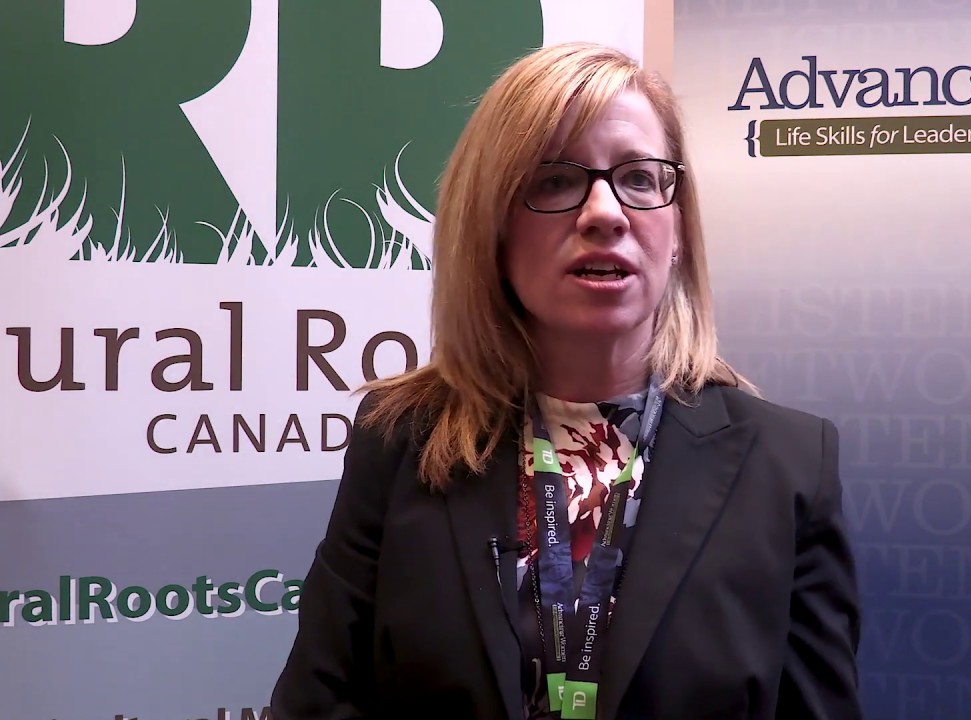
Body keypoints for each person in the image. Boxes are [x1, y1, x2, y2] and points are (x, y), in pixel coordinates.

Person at [269, 41, 862, 720]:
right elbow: (317, 702)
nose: (605, 212)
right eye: (554, 180)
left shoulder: (789, 465)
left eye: (639, 178)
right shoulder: (401, 440)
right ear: (490, 228)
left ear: (678, 230)